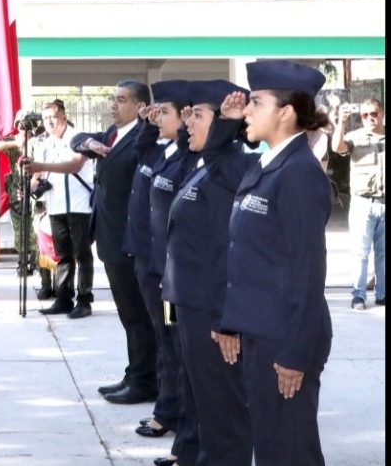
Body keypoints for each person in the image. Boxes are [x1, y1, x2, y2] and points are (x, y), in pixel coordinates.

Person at [214, 60, 332, 466]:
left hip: (285, 338)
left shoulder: (298, 173)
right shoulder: (266, 165)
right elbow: (247, 257)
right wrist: (232, 320)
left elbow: (308, 272)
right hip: (262, 332)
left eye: (256, 103)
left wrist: (296, 353)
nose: (246, 110)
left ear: (285, 112)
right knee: (271, 447)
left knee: (290, 450)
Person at [161, 80, 253, 466]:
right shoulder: (205, 164)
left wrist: (225, 317)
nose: (186, 124)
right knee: (203, 398)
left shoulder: (229, 166)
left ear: (220, 124)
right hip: (192, 304)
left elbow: (228, 249)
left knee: (223, 410)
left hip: (212, 309)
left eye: (197, 115)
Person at [71, 80, 157, 405]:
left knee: (139, 315)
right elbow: (77, 141)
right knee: (128, 315)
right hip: (109, 237)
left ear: (139, 106)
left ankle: (146, 380)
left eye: (121, 100)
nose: (113, 105)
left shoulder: (143, 136)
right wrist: (88, 142)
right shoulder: (112, 134)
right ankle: (135, 373)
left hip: (129, 240)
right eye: (112, 99)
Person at [126, 81, 198, 466]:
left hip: (167, 268)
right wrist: (148, 125)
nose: (158, 117)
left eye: (164, 112)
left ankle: (170, 413)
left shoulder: (185, 156)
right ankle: (166, 408)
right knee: (163, 341)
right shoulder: (161, 150)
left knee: (174, 348)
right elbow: (140, 151)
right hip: (149, 261)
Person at [20, 99, 95, 317]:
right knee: (62, 255)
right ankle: (63, 298)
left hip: (79, 206)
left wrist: (41, 166)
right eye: (45, 119)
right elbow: (38, 176)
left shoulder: (79, 138)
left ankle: (84, 301)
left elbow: (75, 165)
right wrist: (30, 186)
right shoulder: (44, 144)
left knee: (82, 254)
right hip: (55, 206)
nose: (49, 122)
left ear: (63, 115)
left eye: (52, 117)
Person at [0, 109, 51, 298]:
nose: (25, 129)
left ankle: (39, 265)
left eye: (28, 125)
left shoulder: (41, 141)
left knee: (37, 231)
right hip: (17, 194)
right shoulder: (13, 141)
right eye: (21, 126)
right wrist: (15, 143)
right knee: (20, 230)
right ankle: (23, 262)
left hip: (38, 193)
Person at [332, 98, 385, 310]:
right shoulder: (354, 137)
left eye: (374, 113)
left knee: (383, 253)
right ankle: (359, 295)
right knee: (360, 253)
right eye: (365, 115)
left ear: (382, 113)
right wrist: (341, 122)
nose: (370, 118)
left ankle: (382, 294)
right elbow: (337, 147)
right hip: (363, 203)